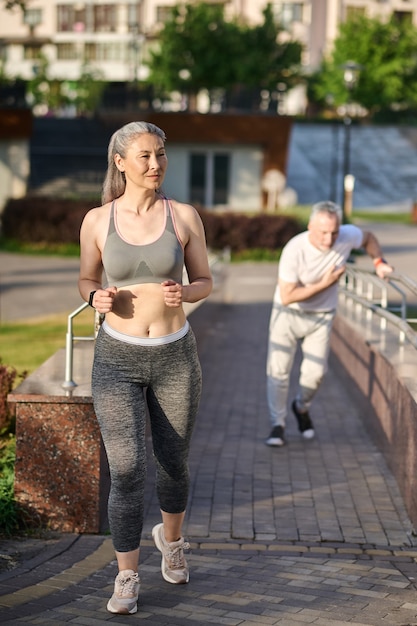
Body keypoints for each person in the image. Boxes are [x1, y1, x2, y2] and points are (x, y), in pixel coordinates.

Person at [78, 121, 212, 614]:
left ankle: (172, 541)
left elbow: (205, 280)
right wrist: (94, 296)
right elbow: (86, 277)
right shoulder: (97, 220)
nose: (155, 165)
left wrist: (187, 292)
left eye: (160, 155)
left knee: (172, 462)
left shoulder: (183, 216)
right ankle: (127, 576)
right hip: (117, 358)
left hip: (175, 355)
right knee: (128, 470)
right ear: (120, 162)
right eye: (144, 157)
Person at [265, 200, 393, 447]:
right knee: (278, 372)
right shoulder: (295, 249)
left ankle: (301, 407)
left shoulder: (345, 235)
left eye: (334, 232)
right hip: (287, 313)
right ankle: (277, 425)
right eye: (323, 232)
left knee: (315, 374)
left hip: (322, 315)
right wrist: (326, 283)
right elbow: (289, 294)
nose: (329, 238)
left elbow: (368, 238)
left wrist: (379, 262)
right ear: (310, 226)